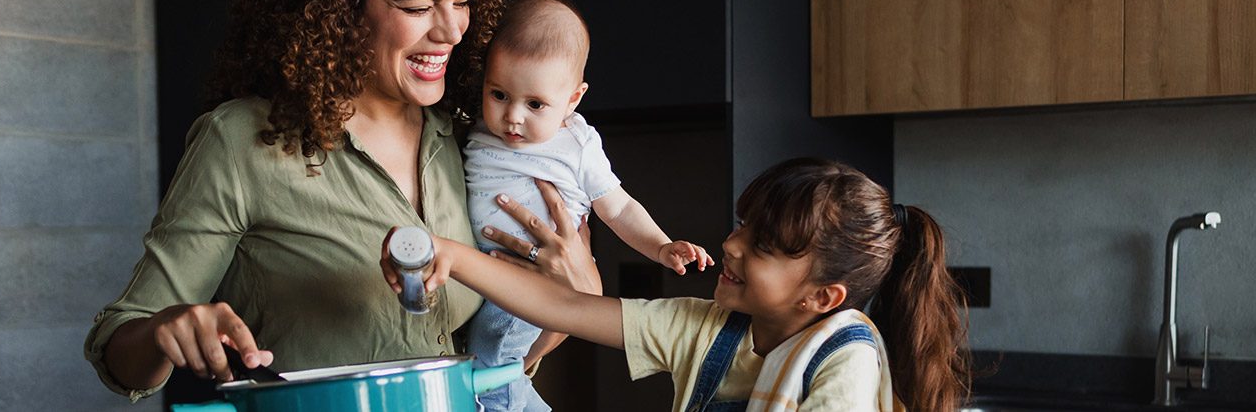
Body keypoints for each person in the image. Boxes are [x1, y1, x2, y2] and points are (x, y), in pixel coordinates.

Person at [81, 0, 600, 400]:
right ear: (342, 5)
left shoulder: (473, 141)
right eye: (419, 7)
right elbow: (120, 350)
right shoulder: (243, 142)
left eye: (462, 1)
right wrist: (163, 331)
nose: (452, 31)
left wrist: (571, 300)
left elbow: (504, 354)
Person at [387, 158, 973, 412]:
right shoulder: (704, 329)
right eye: (743, 225)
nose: (731, 245)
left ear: (821, 299)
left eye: (761, 245)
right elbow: (564, 306)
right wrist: (454, 256)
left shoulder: (846, 360)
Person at [461, 0, 715, 411]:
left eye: (535, 104)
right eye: (499, 94)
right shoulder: (477, 128)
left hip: (530, 277)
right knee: (498, 374)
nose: (513, 117)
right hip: (486, 271)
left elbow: (618, 208)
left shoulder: (576, 146)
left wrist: (661, 245)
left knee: (489, 370)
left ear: (573, 99)